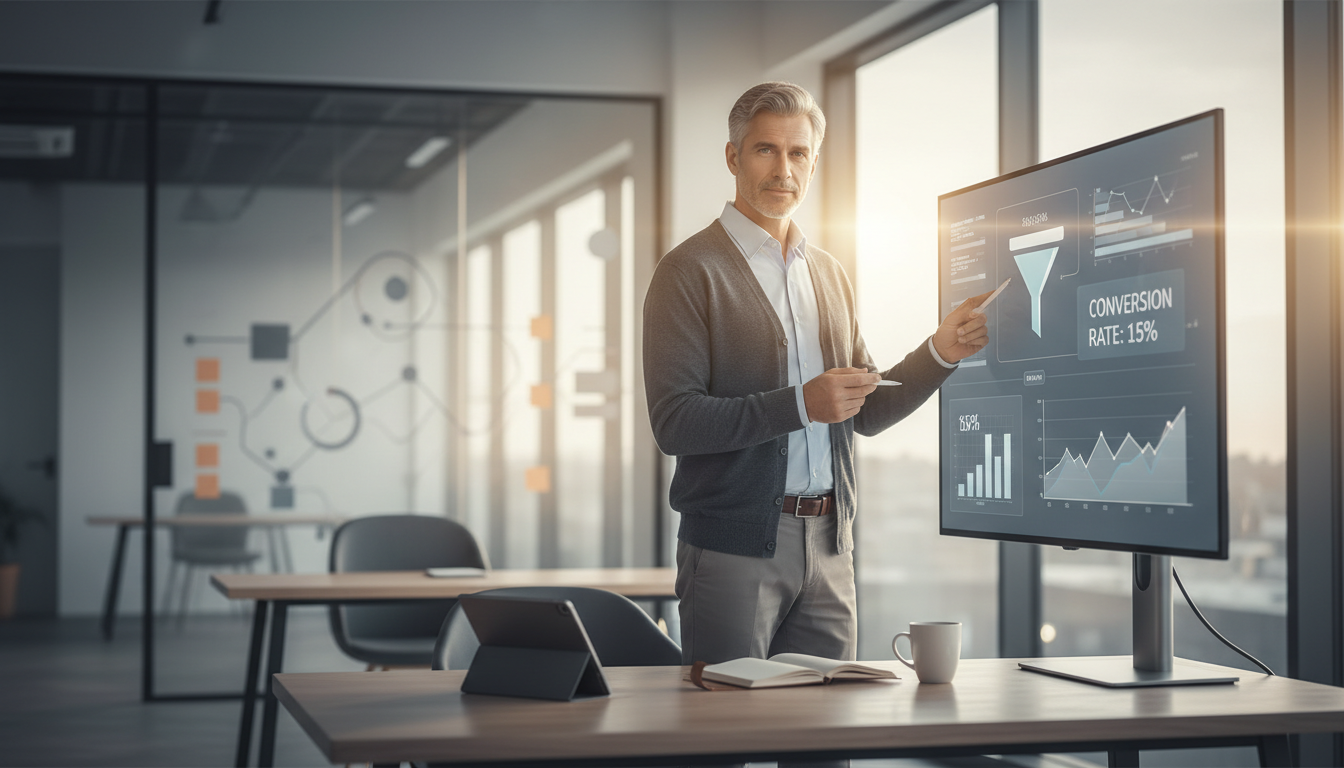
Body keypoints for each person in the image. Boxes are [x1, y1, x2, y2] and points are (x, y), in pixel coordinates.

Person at [643, 81, 991, 665]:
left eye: (798, 153)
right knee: (727, 738)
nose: (784, 169)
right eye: (766, 150)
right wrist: (801, 404)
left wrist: (940, 351)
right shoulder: (687, 271)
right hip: (733, 550)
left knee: (830, 742)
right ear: (733, 157)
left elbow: (868, 411)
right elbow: (675, 424)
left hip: (831, 547)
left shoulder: (828, 274)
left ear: (813, 162)